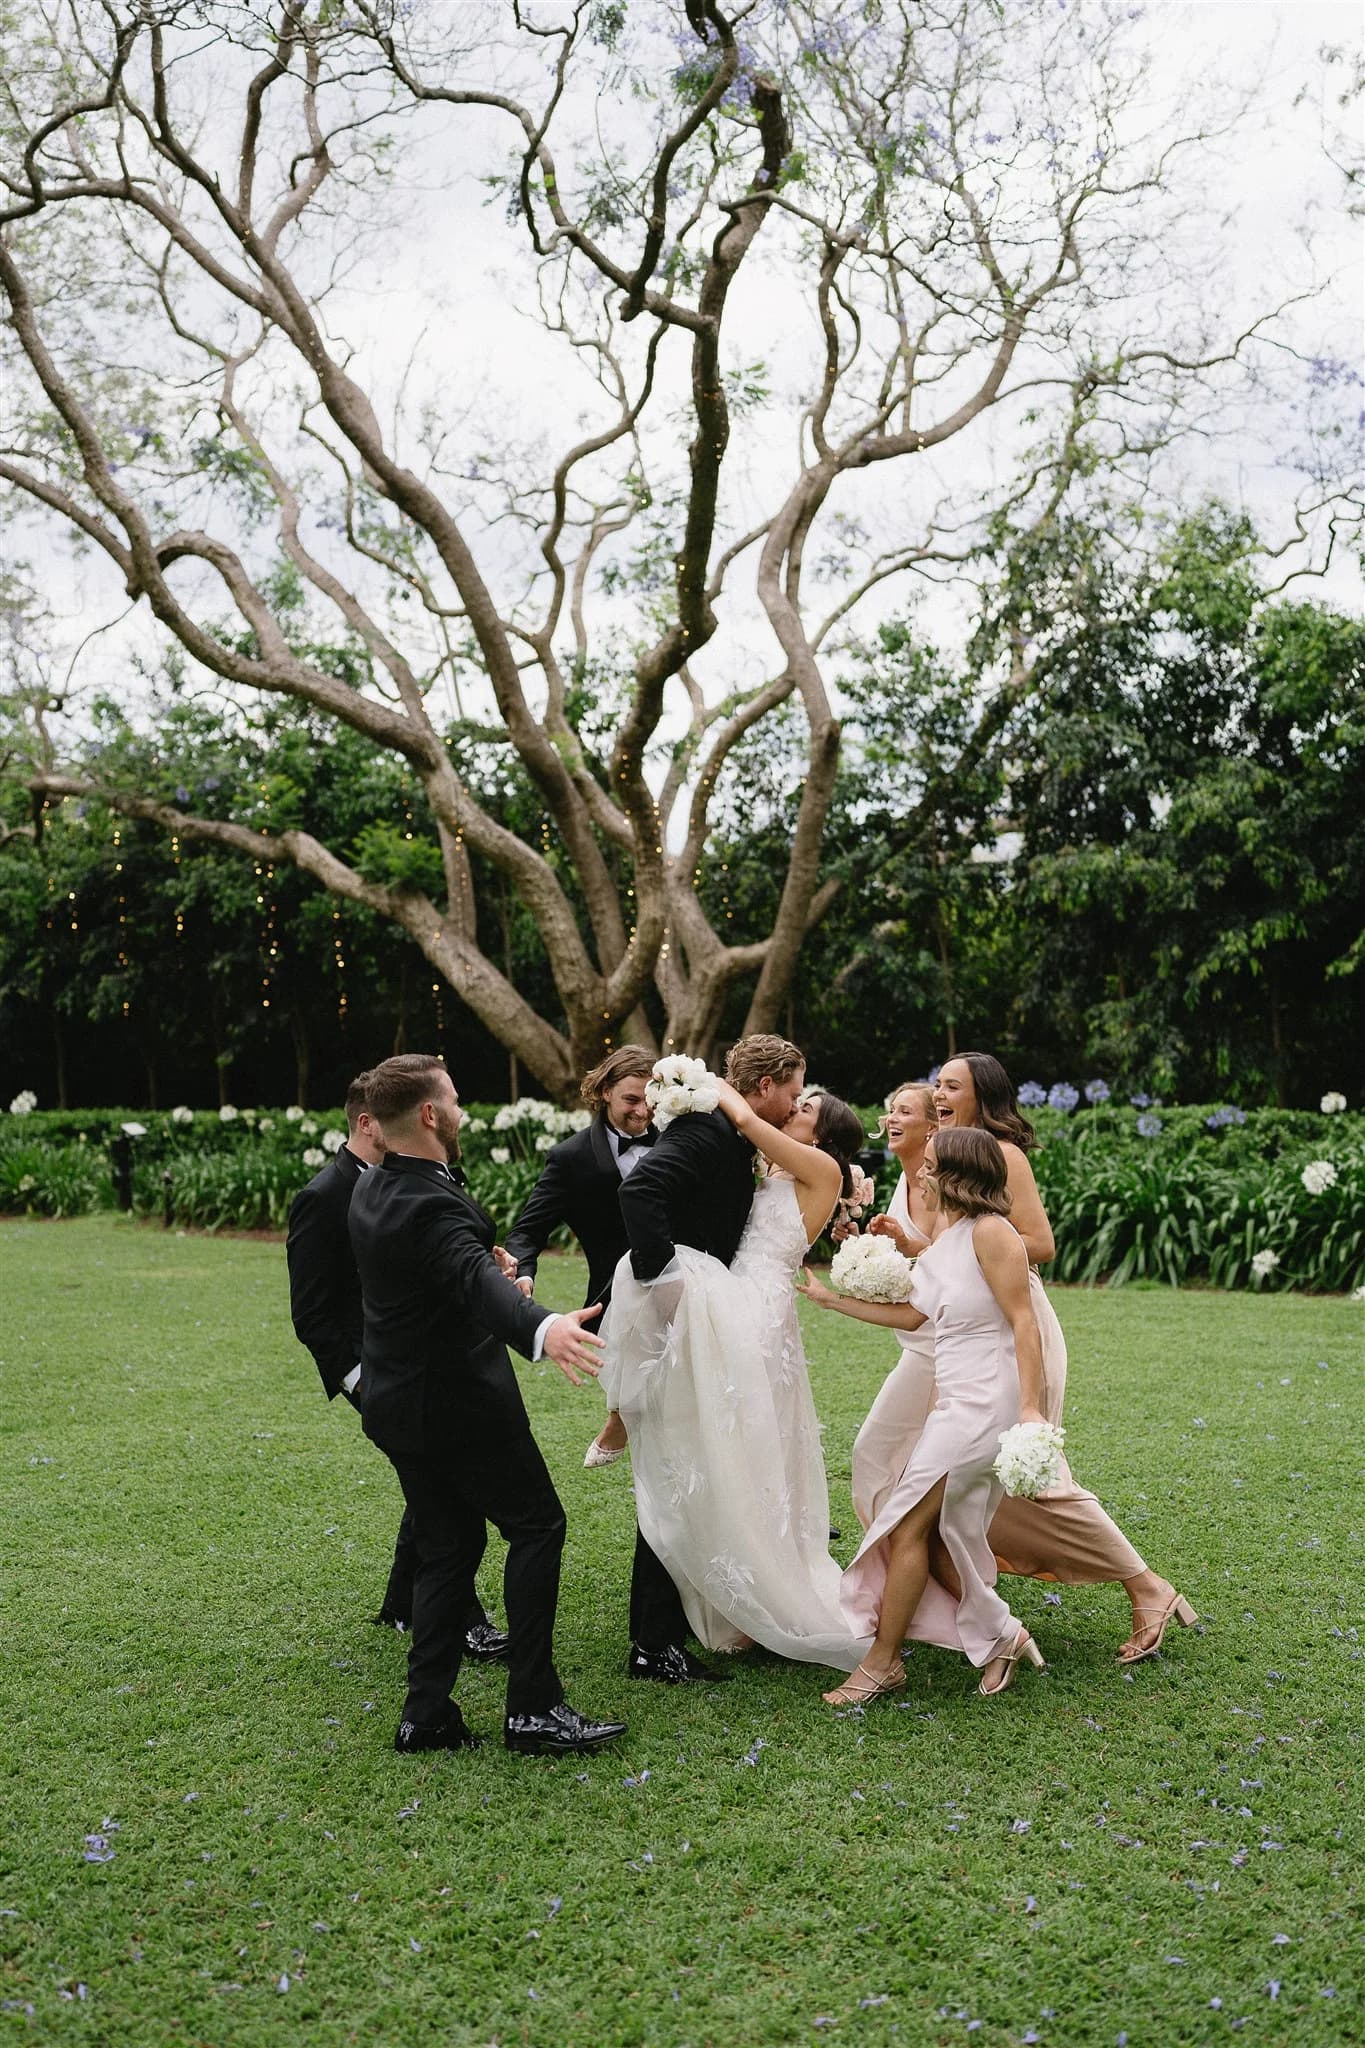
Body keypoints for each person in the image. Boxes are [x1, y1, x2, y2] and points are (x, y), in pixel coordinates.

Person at [348, 1053, 626, 1757]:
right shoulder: (430, 1200)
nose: (464, 1111)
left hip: (397, 1406)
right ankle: (533, 1708)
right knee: (537, 1527)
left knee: (448, 1546)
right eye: (457, 1100)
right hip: (458, 1409)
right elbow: (464, 1271)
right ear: (432, 1115)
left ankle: (426, 1715)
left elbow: (449, 1270)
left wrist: (490, 1271)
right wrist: (542, 1327)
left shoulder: (376, 1187)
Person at [877, 1052, 1195, 1665]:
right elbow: (946, 1250)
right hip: (955, 1330)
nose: (938, 1094)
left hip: (1010, 1323)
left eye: (951, 1086)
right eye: (935, 1084)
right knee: (960, 1478)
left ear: (980, 1096)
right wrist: (911, 1248)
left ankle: (1146, 1587)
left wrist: (975, 1244)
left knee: (1036, 1480)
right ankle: (960, 1600)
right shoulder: (942, 1154)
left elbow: (1040, 1245)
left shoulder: (999, 1156)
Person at [607, 1038, 873, 1677]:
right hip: (731, 1306)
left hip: (754, 1315)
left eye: (808, 1102)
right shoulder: (759, 1160)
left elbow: (752, 1120)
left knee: (730, 1457)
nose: (798, 1104)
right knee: (716, 1459)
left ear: (821, 1131)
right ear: (772, 1083)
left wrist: (711, 1088)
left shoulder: (815, 1168)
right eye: (797, 1091)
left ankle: (724, 1598)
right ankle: (690, 1609)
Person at [801, 1127, 1047, 1702]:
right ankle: (1000, 1634)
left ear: (958, 1175)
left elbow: (1025, 1322)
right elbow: (914, 1318)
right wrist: (831, 1300)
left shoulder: (992, 1233)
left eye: (930, 1167)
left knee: (906, 1522)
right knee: (934, 1531)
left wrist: (1031, 1409)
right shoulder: (948, 1236)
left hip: (986, 1403)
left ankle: (883, 1663)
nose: (920, 1176)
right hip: (954, 1400)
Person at [285, 1071, 508, 1660]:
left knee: (431, 1489)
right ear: (368, 1124)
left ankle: (401, 1603)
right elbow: (311, 1314)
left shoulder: (409, 1180)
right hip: (381, 1374)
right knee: (449, 1501)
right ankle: (463, 1620)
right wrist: (360, 1381)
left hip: (429, 1364)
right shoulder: (323, 1197)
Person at [504, 1045, 656, 1469]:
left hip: (688, 1295)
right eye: (631, 1099)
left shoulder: (679, 1141)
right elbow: (527, 1231)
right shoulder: (570, 1159)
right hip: (617, 1306)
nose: (643, 1111)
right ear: (605, 1091)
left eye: (650, 1099)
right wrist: (522, 1270)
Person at [844, 1082, 939, 1532]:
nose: (892, 1120)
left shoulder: (945, 1182)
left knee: (882, 1450)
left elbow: (956, 1256)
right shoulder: (904, 1178)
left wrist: (904, 1243)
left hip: (950, 1345)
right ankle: (887, 1551)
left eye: (905, 1111)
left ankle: (900, 1555)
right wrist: (867, 1253)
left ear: (933, 1126)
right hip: (921, 1343)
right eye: (890, 1111)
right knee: (879, 1452)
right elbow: (910, 1261)